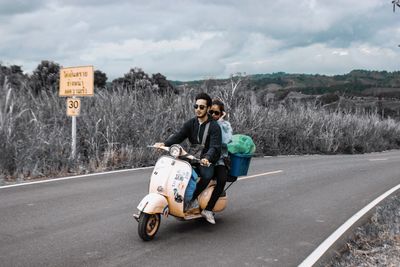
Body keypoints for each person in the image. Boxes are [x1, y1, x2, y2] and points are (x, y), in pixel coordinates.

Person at [154, 92, 222, 221]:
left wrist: (207, 157)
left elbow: (215, 146)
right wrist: (164, 143)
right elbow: (179, 136)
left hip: (206, 159)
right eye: (196, 106)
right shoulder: (191, 123)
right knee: (177, 171)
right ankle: (177, 198)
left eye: (202, 107)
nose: (198, 109)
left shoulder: (214, 126)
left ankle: (192, 200)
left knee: (207, 175)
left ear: (208, 109)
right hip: (192, 156)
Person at [200, 99, 233, 224]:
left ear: (221, 114)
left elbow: (225, 141)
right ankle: (190, 201)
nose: (213, 115)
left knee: (222, 179)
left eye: (217, 113)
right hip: (204, 157)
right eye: (211, 112)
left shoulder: (225, 126)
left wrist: (220, 123)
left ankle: (208, 209)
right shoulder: (203, 122)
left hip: (219, 159)